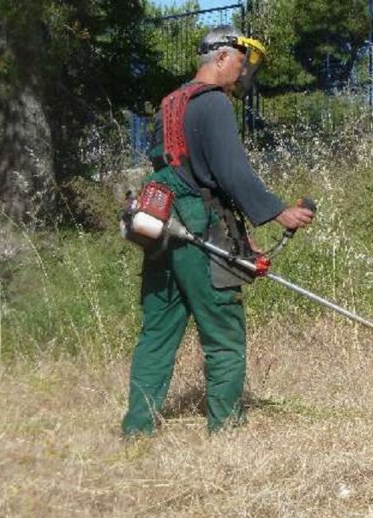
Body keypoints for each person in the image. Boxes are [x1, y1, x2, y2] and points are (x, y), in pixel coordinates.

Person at [122, 26, 314, 436]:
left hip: (161, 229)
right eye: (241, 64)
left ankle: (137, 429)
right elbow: (229, 172)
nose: (242, 74)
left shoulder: (170, 103)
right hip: (198, 228)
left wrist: (240, 237)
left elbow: (183, 172)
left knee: (157, 333)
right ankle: (225, 430)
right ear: (222, 58)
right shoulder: (214, 104)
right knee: (223, 333)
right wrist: (277, 211)